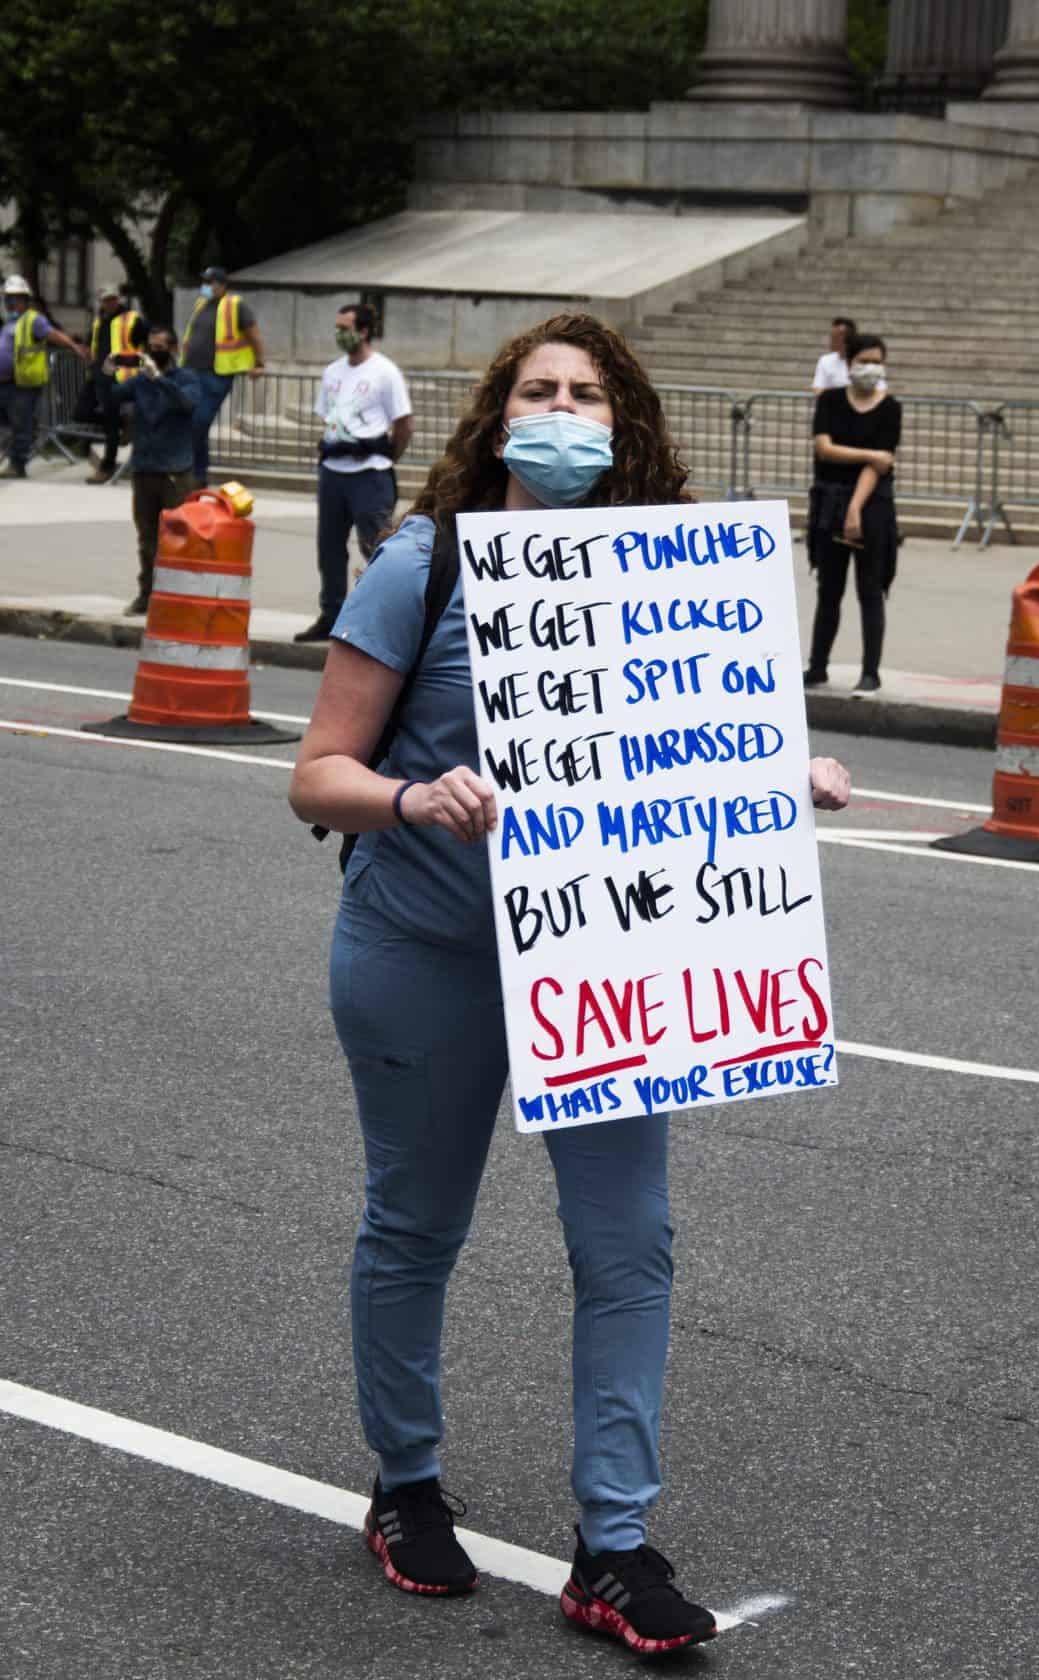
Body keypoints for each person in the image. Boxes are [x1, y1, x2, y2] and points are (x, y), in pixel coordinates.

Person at [287, 311, 851, 1655]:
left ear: (625, 423)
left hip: (607, 966)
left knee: (628, 1249)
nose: (560, 410)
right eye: (536, 390)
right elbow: (318, 773)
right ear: (495, 416)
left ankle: (615, 1546)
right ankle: (407, 1484)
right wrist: (414, 794)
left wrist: (790, 775)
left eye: (586, 395)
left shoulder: (664, 577)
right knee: (417, 1226)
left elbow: (691, 754)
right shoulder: (421, 565)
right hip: (423, 959)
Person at [294, 302, 414, 644]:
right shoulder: (332, 372)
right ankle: (330, 614)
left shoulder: (384, 372)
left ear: (363, 331)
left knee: (376, 547)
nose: (338, 334)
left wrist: (389, 455)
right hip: (333, 471)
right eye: (336, 327)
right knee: (329, 547)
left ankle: (382, 620)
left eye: (344, 327)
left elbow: (404, 423)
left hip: (369, 472)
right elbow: (326, 417)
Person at [804, 332, 901, 696]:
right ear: (849, 364)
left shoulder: (890, 407)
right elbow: (824, 449)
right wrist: (868, 454)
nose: (870, 368)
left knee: (870, 589)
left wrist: (855, 509)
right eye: (864, 360)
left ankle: (870, 673)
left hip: (871, 504)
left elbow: (882, 464)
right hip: (829, 501)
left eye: (877, 361)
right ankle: (817, 667)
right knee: (829, 588)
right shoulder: (830, 400)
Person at [111, 326, 202, 614]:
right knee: (147, 538)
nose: (154, 352)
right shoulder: (141, 380)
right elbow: (113, 397)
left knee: (178, 539)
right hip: (145, 468)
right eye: (150, 346)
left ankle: (177, 599)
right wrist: (104, 372)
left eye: (160, 347)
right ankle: (146, 594)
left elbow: (187, 405)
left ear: (173, 349)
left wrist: (160, 379)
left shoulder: (186, 378)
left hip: (175, 470)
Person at [179, 264, 266, 487]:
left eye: (210, 282)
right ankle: (196, 475)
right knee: (191, 423)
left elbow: (254, 335)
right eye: (204, 282)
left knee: (199, 422)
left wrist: (259, 363)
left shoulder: (235, 305)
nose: (206, 286)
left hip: (217, 375)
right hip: (190, 373)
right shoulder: (201, 304)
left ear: (222, 285)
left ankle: (196, 474)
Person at [0, 274, 88, 478]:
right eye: (7, 297)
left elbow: (54, 335)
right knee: (11, 424)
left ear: (24, 299)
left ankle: (17, 465)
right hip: (6, 383)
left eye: (14, 297)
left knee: (21, 423)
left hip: (23, 383)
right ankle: (13, 455)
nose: (9, 301)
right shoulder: (8, 323)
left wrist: (74, 347)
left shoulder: (34, 320)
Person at [79, 282, 147, 483]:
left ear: (118, 299)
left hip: (118, 378)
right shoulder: (100, 320)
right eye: (105, 300)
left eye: (112, 299)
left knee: (109, 424)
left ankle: (106, 467)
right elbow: (94, 344)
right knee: (80, 412)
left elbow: (147, 344)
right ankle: (123, 423)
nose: (109, 303)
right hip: (97, 376)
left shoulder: (132, 319)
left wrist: (139, 365)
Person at [811, 316, 856, 393]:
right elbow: (817, 388)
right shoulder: (825, 360)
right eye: (831, 336)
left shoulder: (863, 360)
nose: (831, 340)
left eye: (834, 337)